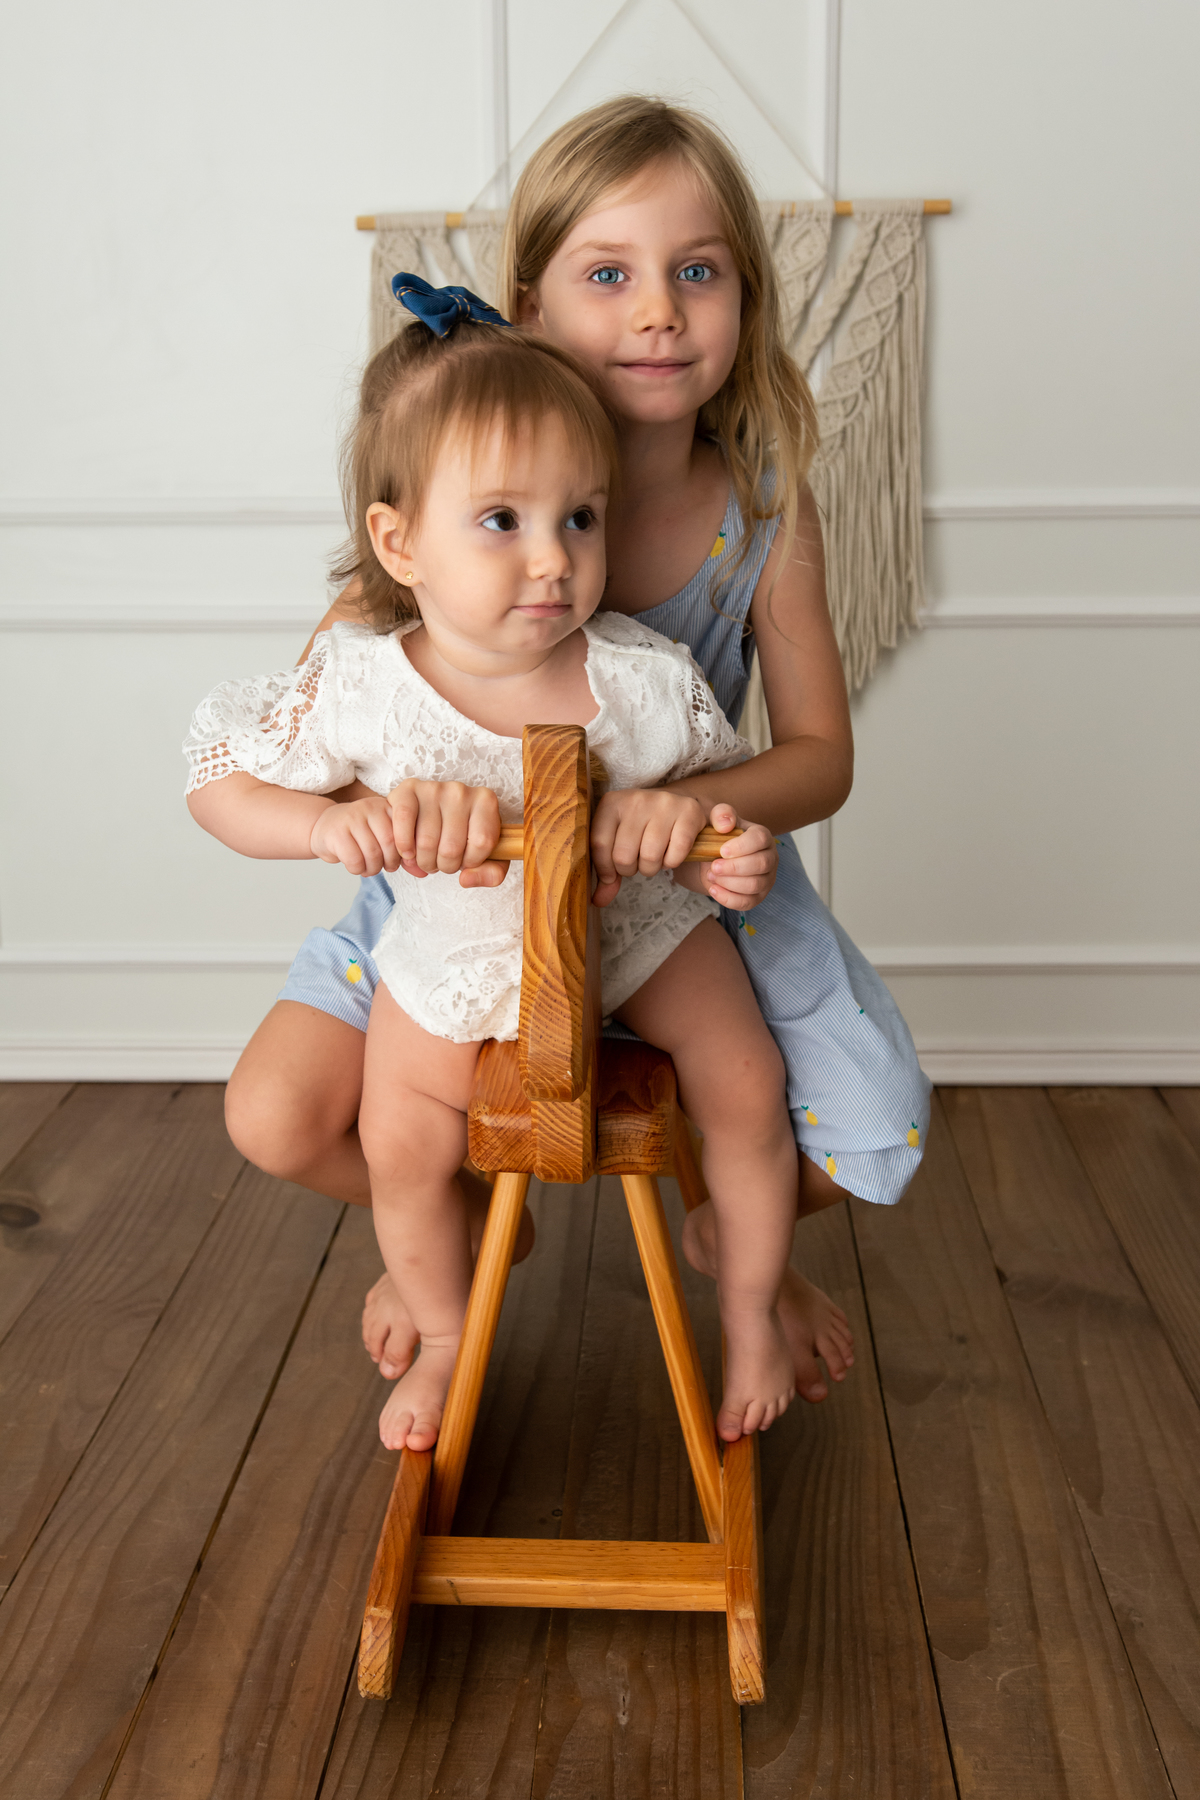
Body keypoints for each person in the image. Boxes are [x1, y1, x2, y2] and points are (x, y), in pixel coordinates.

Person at [224, 95, 930, 1405]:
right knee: (275, 1114)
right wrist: (377, 813)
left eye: (698, 272)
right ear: (531, 308)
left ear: (746, 296)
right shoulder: (464, 483)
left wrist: (690, 810)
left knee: (872, 1127)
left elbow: (820, 757)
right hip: (465, 882)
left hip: (686, 874)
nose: (659, 311)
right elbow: (315, 722)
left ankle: (738, 1239)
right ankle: (442, 1234)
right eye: (610, 275)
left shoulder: (761, 511)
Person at [186, 298, 806, 1450]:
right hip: (449, 956)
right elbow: (219, 781)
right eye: (502, 520)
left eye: (580, 517)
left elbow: (724, 815)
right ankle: (442, 1333)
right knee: (402, 1141)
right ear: (400, 544)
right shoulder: (367, 688)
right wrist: (326, 828)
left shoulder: (642, 679)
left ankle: (755, 1311)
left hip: (636, 938)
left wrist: (711, 849)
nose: (553, 558)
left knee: (745, 1082)